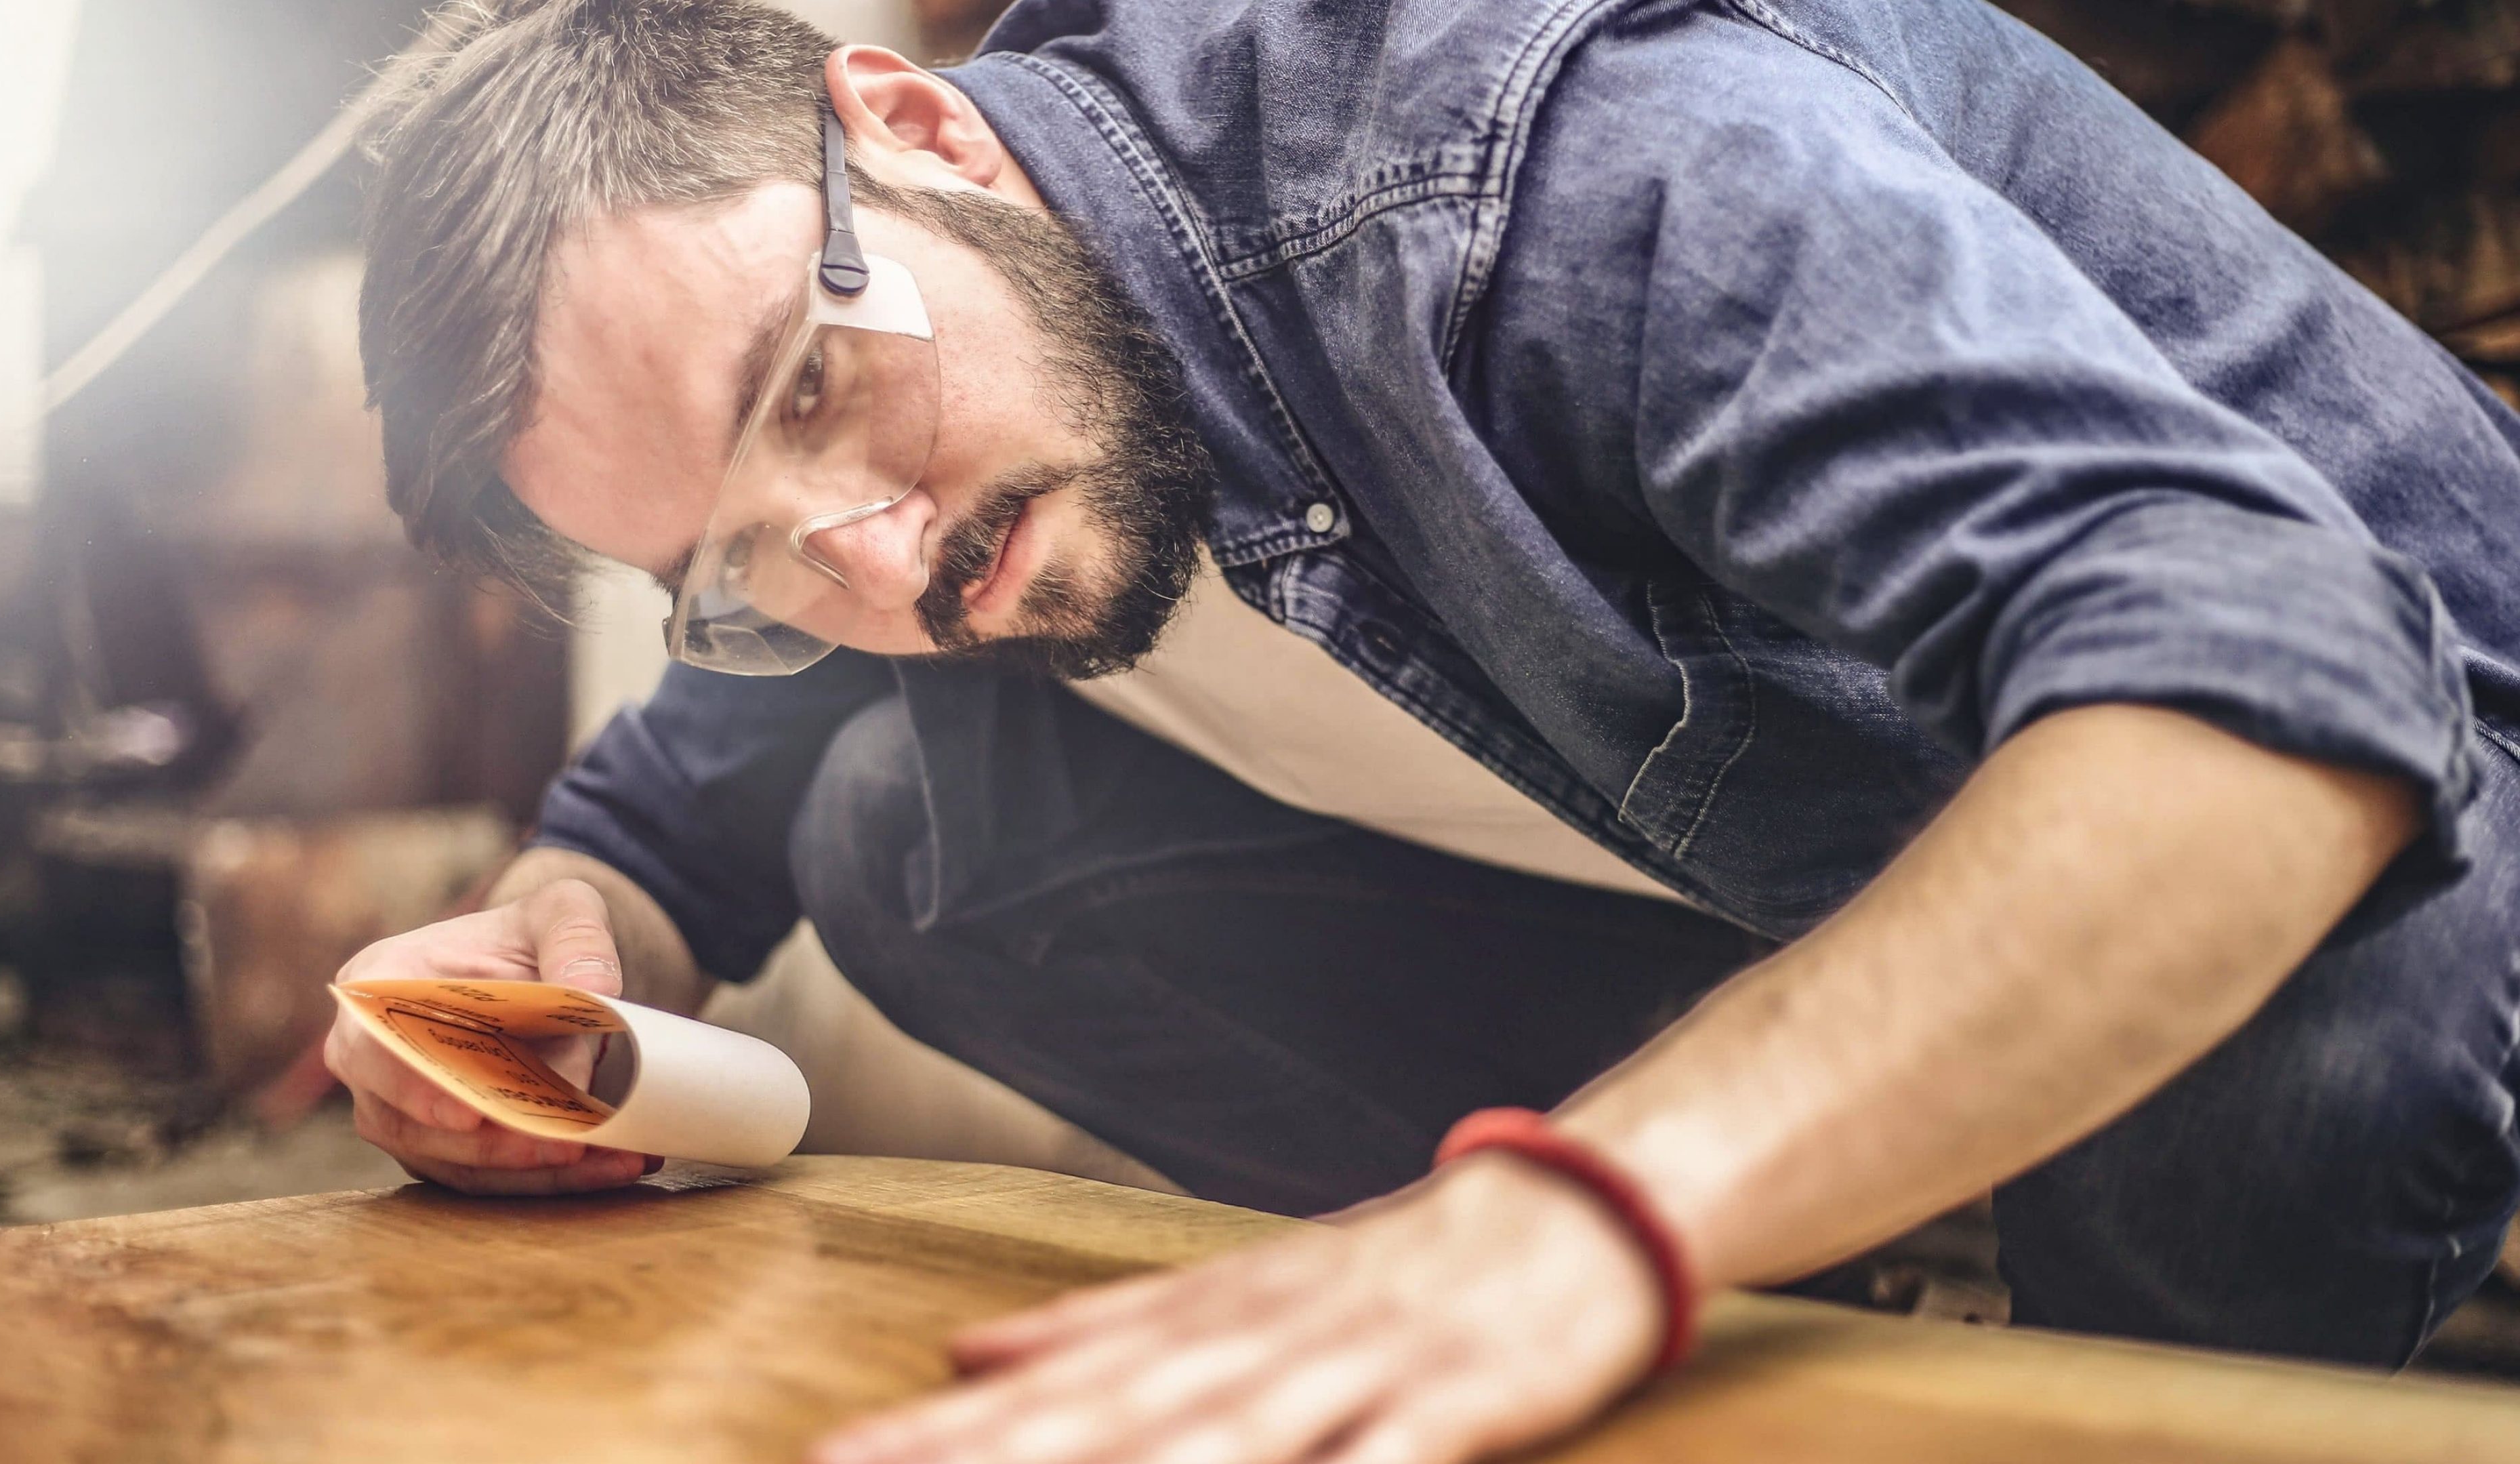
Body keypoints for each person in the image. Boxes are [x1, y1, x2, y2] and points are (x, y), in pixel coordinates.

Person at [327, 1, 2520, 1459]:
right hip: (1817, 876)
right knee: (901, 822)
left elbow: (2278, 674)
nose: (876, 569)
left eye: (809, 391)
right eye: (740, 564)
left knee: (2302, 977)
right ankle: (1842, 1240)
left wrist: (1594, 1210)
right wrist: (550, 951)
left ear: (914, 129)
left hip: (2402, 788)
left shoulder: (1530, 170)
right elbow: (681, 802)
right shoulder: (910, 460)